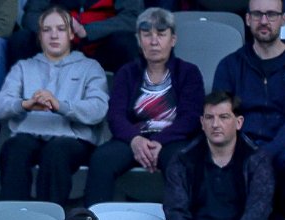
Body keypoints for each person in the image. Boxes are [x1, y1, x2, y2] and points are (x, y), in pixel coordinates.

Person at [0, 6, 110, 207]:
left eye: (61, 29)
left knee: (56, 152)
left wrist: (60, 106)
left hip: (72, 139)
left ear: (71, 34)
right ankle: (12, 217)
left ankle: (50, 219)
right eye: (47, 30)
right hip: (29, 134)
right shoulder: (24, 67)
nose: (54, 35)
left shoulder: (90, 67)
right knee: (14, 148)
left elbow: (98, 109)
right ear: (39, 36)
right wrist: (25, 104)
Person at [85, 7, 203, 206]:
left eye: (161, 34)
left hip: (173, 139)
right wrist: (135, 139)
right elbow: (115, 116)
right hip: (132, 138)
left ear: (173, 39)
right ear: (139, 40)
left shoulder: (188, 72)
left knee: (180, 162)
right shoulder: (127, 72)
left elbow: (191, 118)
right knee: (101, 159)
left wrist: (159, 141)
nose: (154, 41)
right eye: (147, 34)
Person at [212, 0, 285, 163]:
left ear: (283, 19)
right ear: (248, 19)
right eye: (257, 14)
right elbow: (220, 115)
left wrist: (267, 152)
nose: (264, 21)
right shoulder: (229, 65)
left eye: (271, 14)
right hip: (240, 146)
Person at [166, 91, 272, 220]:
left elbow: (258, 213)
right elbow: (174, 212)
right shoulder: (183, 159)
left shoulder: (257, 159)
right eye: (209, 117)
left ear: (239, 122)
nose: (215, 124)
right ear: (202, 122)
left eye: (224, 117)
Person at [15, 0, 141, 74]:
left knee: (126, 43)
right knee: (22, 39)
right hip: (57, 43)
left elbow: (132, 18)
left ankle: (122, 106)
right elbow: (31, 15)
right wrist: (54, 28)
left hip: (101, 44)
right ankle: (24, 103)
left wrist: (86, 31)